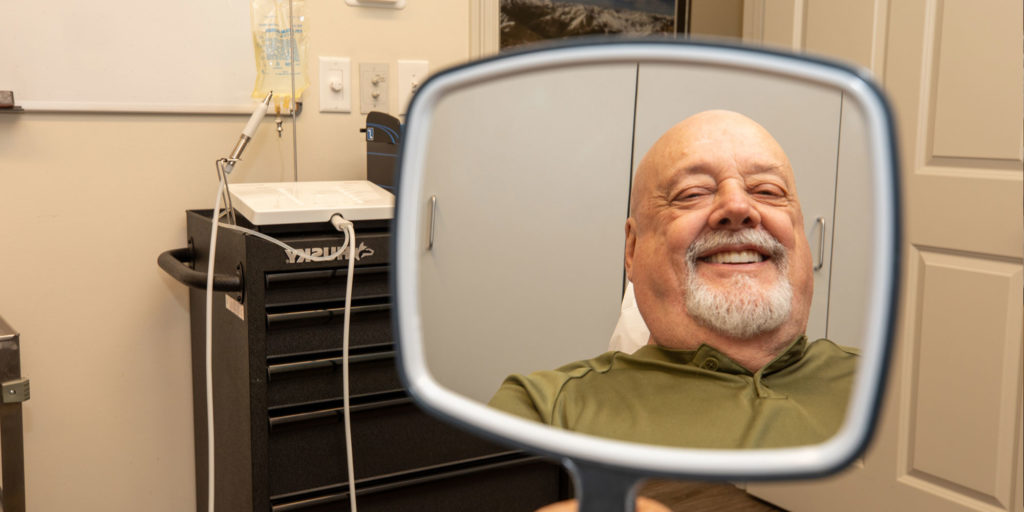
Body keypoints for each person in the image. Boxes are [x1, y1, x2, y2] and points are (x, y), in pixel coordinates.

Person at [488, 110, 858, 449]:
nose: (738, 208)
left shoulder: (894, 392)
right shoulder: (546, 412)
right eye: (692, 193)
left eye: (767, 191)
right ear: (632, 250)